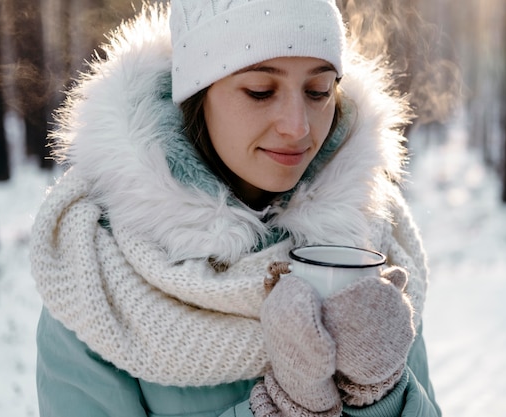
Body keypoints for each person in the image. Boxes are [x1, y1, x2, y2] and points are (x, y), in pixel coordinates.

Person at [30, 0, 441, 416]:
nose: (297, 127)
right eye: (260, 91)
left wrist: (383, 394)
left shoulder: (371, 238)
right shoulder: (97, 275)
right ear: (196, 92)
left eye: (318, 92)